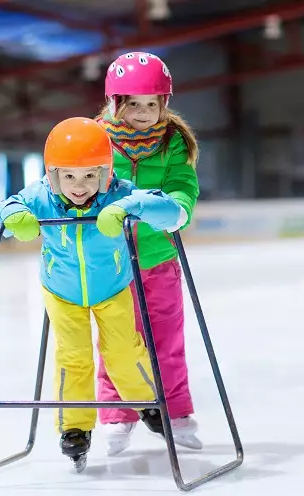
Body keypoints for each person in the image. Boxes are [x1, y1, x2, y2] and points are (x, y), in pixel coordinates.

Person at [0, 117, 188, 469]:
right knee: (74, 357)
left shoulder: (118, 192)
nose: (78, 186)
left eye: (88, 176)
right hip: (62, 291)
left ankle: (147, 402)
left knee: (124, 351)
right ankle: (75, 427)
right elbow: (0, 209)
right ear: (53, 175)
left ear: (104, 173)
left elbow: (171, 211)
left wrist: (128, 207)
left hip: (111, 287)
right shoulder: (41, 195)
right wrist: (14, 216)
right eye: (68, 176)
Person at [94, 51, 203, 456]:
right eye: (134, 104)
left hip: (158, 259)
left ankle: (175, 413)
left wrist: (177, 208)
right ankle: (118, 414)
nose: (143, 113)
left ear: (163, 105)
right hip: (111, 261)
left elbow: (182, 184)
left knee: (166, 340)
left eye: (151, 105)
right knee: (117, 341)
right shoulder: (96, 139)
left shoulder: (172, 142)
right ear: (116, 102)